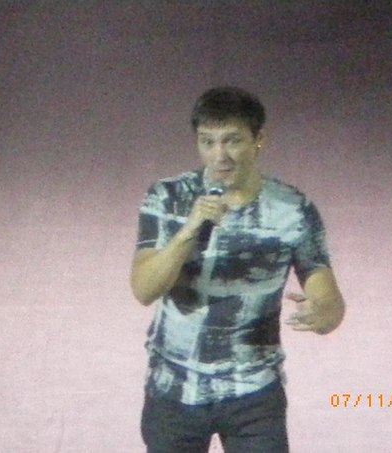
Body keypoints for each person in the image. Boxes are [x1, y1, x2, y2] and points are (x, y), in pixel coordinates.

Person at [130, 86, 345, 453]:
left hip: (254, 393)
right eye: (207, 142)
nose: (220, 155)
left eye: (232, 141)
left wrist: (322, 311)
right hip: (174, 388)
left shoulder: (293, 209)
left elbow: (328, 303)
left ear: (259, 140)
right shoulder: (167, 197)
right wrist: (188, 231)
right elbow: (144, 289)